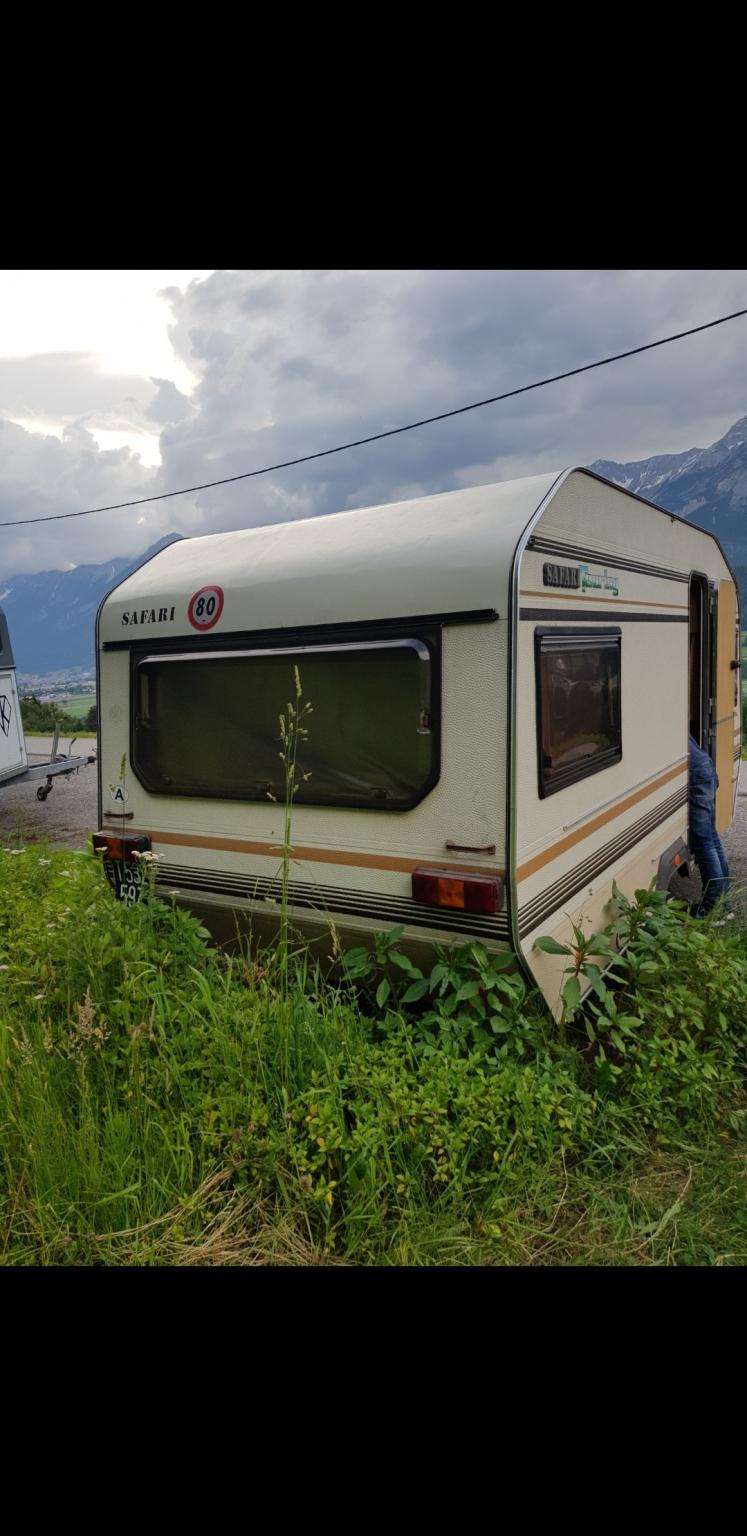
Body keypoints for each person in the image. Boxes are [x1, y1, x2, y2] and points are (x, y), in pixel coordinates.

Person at [687, 734, 732, 919]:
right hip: (705, 766)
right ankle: (723, 902)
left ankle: (712, 910)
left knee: (704, 844)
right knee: (711, 838)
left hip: (697, 774)